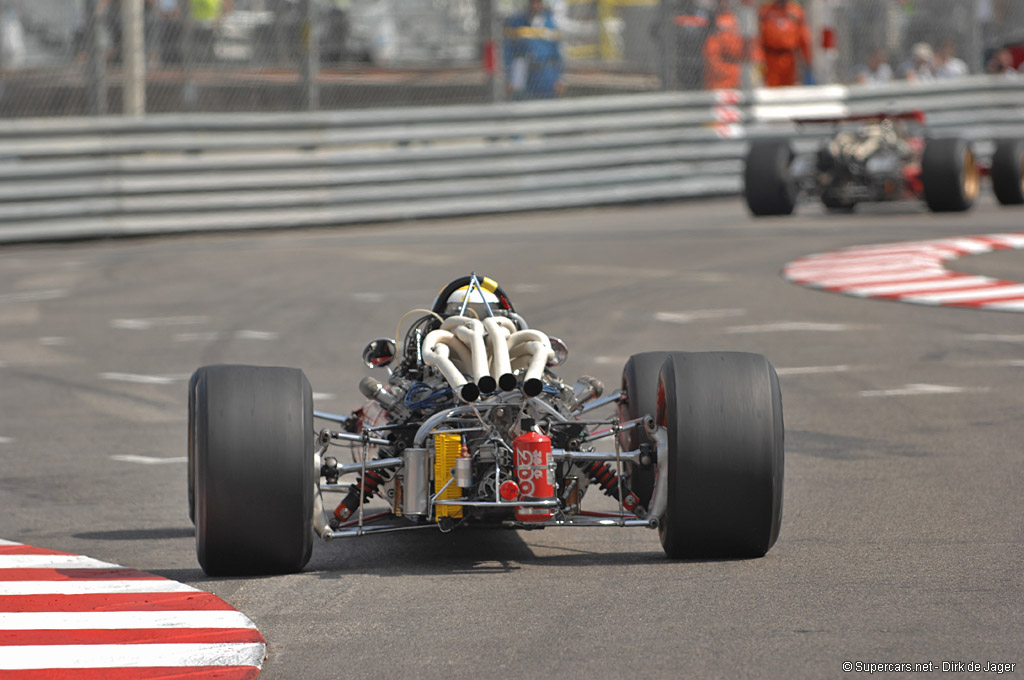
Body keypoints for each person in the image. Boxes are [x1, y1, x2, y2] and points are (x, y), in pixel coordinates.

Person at [504, 0, 564, 100]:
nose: (535, 5)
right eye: (532, 2)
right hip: (524, 74)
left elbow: (557, 54)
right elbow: (508, 52)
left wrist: (560, 78)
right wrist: (509, 78)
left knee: (547, 106)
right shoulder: (517, 23)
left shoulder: (550, 23)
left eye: (538, 2)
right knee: (523, 106)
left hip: (546, 74)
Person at [757, 0, 811, 87]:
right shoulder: (766, 11)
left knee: (789, 88)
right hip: (771, 58)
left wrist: (808, 61)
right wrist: (759, 58)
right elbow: (759, 37)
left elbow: (804, 38)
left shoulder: (796, 11)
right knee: (772, 88)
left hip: (789, 57)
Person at [703, 1, 746, 90]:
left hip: (733, 72)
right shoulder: (712, 17)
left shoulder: (734, 17)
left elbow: (739, 45)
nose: (723, 3)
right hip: (718, 74)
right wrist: (717, 68)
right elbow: (711, 47)